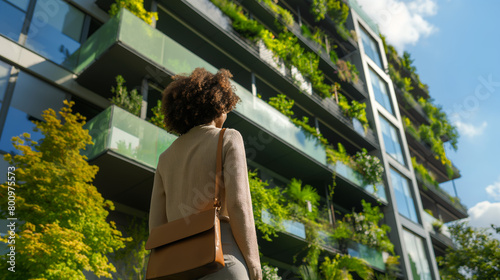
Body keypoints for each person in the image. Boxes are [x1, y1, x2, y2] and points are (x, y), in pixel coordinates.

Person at [149, 68, 262, 280]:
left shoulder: (164, 159)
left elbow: (156, 226)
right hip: (223, 263)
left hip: (178, 270)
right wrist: (254, 262)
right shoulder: (228, 138)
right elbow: (240, 206)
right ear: (218, 105)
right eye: (226, 108)